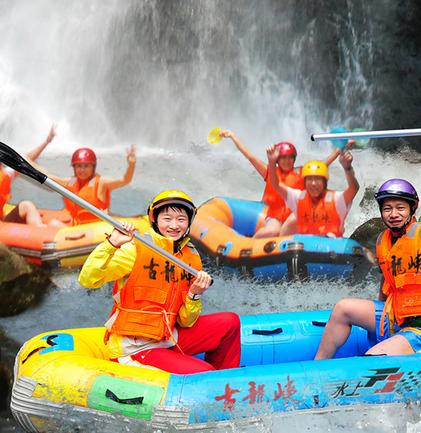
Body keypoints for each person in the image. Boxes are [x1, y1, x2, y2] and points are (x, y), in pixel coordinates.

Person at [314, 122, 421, 359]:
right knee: (343, 308)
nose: (393, 214)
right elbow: (387, 285)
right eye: (387, 209)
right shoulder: (384, 240)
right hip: (396, 315)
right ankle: (317, 367)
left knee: (374, 356)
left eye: (399, 208)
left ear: (412, 209)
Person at [78, 190, 241, 374]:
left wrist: (194, 294)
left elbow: (186, 322)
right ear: (154, 219)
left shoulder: (191, 257)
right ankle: (212, 381)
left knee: (230, 322)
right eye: (167, 218)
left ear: (189, 222)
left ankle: (225, 381)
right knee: (204, 371)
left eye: (181, 219)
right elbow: (88, 279)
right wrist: (112, 243)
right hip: (135, 347)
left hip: (167, 336)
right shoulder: (135, 249)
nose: (174, 225)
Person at [219, 129, 345, 238]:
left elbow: (322, 164)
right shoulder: (269, 171)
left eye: (290, 157)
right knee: (272, 231)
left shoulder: (301, 173)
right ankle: (249, 245)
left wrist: (338, 149)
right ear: (278, 159)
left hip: (295, 216)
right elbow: (249, 155)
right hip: (274, 215)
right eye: (283, 158)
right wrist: (232, 136)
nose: (287, 161)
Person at [266, 143, 359, 238]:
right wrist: (272, 161)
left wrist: (347, 168)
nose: (313, 183)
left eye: (318, 179)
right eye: (309, 180)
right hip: (303, 246)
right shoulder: (298, 197)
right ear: (304, 183)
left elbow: (353, 189)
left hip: (329, 247)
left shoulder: (335, 199)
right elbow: (275, 185)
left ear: (325, 181)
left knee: (330, 235)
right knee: (292, 220)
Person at [42, 143, 137, 227]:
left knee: (53, 224)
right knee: (52, 223)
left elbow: (124, 181)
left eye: (86, 166)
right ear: (74, 168)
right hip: (78, 228)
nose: (82, 170)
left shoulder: (101, 183)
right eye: (79, 166)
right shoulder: (71, 182)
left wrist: (131, 165)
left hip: (97, 229)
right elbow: (48, 176)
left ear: (93, 167)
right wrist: (28, 163)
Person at [1, 125, 57, 227]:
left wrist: (46, 142)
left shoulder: (5, 174)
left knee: (27, 205)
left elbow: (25, 162)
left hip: (2, 223)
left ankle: (41, 232)